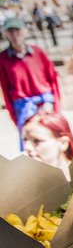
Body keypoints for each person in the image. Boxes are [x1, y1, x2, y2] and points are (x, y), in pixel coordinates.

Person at [0, 17, 61, 150]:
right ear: (6, 34)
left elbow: (52, 80)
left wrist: (56, 105)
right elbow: (5, 90)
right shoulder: (3, 59)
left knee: (53, 138)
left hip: (45, 101)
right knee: (32, 144)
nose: (15, 35)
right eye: (11, 31)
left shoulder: (38, 52)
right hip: (23, 106)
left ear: (25, 31)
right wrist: (14, 116)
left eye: (17, 30)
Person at [21, 112, 73, 179]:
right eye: (25, 140)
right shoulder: (24, 180)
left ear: (63, 143)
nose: (27, 147)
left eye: (37, 141)